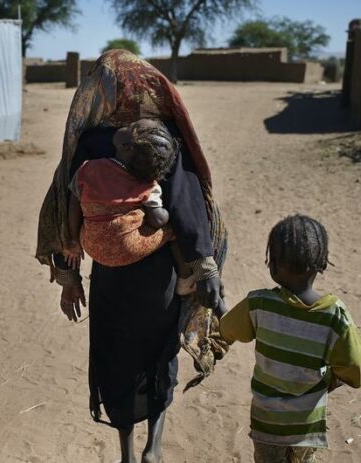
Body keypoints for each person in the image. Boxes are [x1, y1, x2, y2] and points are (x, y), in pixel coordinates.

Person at [36, 50, 228, 463]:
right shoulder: (163, 137)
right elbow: (188, 202)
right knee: (159, 353)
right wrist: (205, 265)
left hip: (110, 278)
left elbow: (66, 211)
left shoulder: (90, 143)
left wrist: (70, 278)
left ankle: (126, 452)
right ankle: (154, 447)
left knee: (115, 356)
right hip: (158, 277)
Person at [220, 214, 361, 463]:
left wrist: (218, 303)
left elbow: (228, 329)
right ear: (323, 263)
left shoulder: (259, 304)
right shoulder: (335, 315)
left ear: (273, 265)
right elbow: (352, 362)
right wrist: (332, 379)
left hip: (268, 421)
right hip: (307, 424)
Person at [63, 119, 182, 269]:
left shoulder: (88, 168)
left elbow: (74, 204)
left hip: (89, 244)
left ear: (126, 146)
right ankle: (186, 276)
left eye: (129, 126)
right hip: (127, 249)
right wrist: (165, 215)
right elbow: (156, 221)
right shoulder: (148, 185)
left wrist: (73, 239)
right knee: (172, 232)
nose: (123, 125)